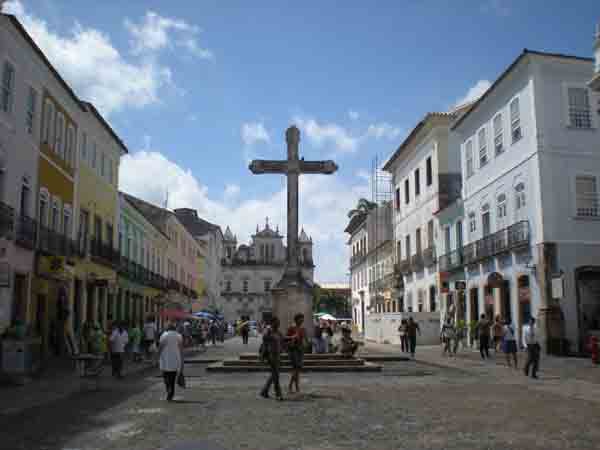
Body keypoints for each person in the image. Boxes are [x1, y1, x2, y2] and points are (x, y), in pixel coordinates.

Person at [260, 317, 284, 400]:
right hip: (271, 356)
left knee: (274, 375)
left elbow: (283, 340)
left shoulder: (279, 333)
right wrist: (262, 357)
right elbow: (264, 345)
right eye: (276, 322)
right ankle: (278, 394)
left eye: (278, 322)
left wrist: (292, 338)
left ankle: (264, 391)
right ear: (272, 323)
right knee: (276, 376)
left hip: (278, 355)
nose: (278, 324)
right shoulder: (268, 333)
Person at [158, 322, 183, 401]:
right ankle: (171, 393)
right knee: (172, 377)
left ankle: (168, 390)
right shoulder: (179, 336)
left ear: (167, 328)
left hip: (165, 359)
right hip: (175, 358)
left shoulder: (164, 335)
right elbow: (181, 348)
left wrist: (157, 355)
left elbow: (160, 347)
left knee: (166, 376)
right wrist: (182, 359)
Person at [286, 313, 306, 394]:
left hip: (300, 350)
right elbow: (286, 338)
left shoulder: (302, 329)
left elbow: (304, 338)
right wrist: (292, 338)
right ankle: (291, 386)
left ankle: (296, 386)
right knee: (296, 368)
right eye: (301, 318)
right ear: (296, 319)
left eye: (302, 318)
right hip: (293, 350)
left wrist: (306, 343)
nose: (302, 320)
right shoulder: (291, 328)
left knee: (297, 369)